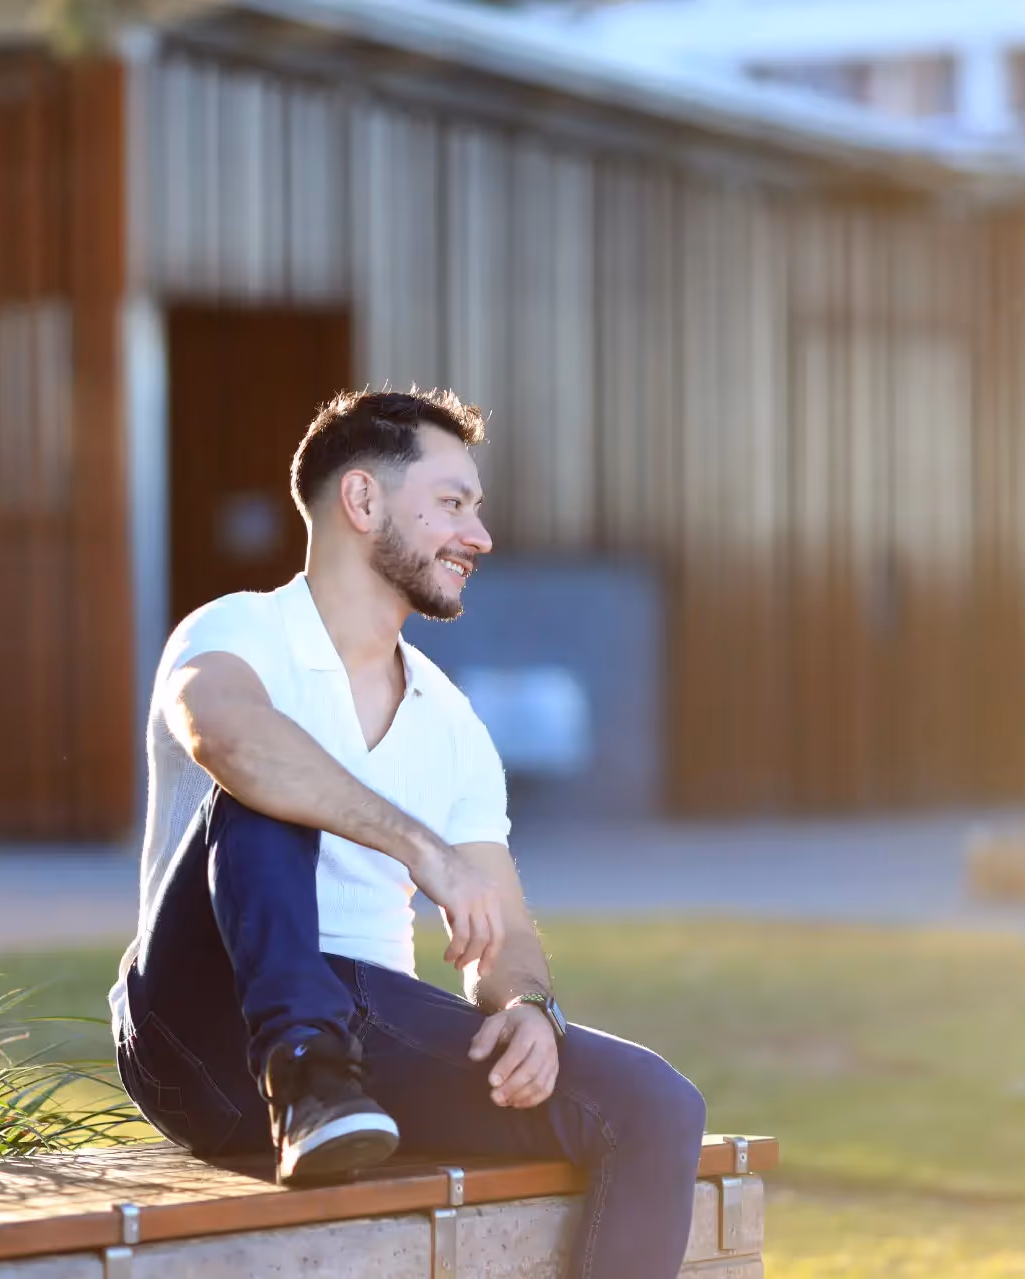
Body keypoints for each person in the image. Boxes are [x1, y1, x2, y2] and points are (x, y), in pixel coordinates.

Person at [108, 389, 707, 1278]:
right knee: (268, 777)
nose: (480, 535)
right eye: (453, 504)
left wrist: (529, 1009)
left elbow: (498, 930)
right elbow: (229, 736)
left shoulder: (451, 722)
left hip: (370, 1038)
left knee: (656, 1102)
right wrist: (419, 848)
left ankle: (326, 1083)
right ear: (363, 501)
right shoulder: (241, 630)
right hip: (205, 1021)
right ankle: (301, 1070)